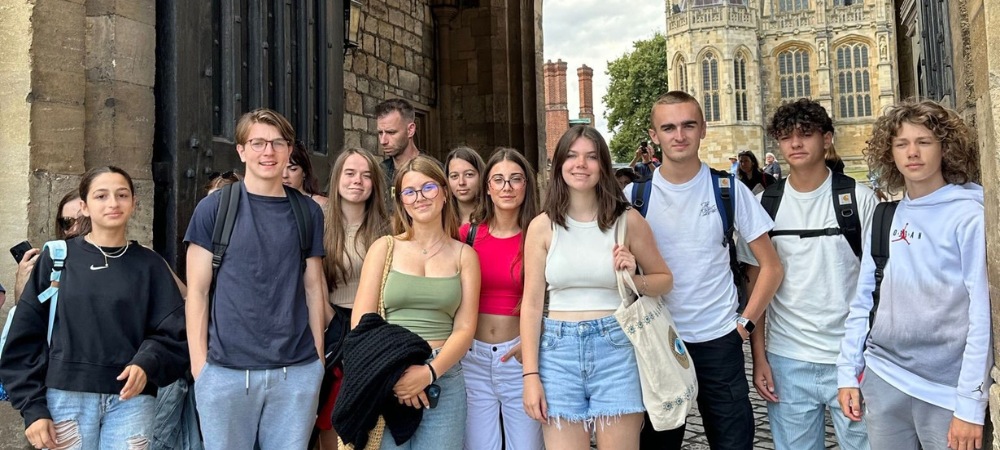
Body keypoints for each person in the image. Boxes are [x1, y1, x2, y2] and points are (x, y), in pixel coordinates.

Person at [627, 91, 782, 450]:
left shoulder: (728, 190)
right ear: (654, 136)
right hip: (659, 342)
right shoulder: (634, 196)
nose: (678, 135)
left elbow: (770, 267)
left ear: (703, 130)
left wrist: (744, 325)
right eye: (668, 127)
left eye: (688, 125)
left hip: (719, 340)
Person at [837, 100, 991, 450]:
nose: (913, 153)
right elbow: (864, 300)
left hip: (945, 391)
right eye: (901, 143)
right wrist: (848, 371)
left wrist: (970, 404)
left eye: (924, 142)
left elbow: (981, 314)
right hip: (884, 377)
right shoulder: (884, 216)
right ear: (889, 153)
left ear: (943, 147)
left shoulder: (968, 214)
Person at [0, 166, 188, 450]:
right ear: (84, 207)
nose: (113, 203)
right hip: (65, 397)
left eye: (122, 195)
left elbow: (174, 334)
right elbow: (25, 336)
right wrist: (33, 408)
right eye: (101, 196)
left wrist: (147, 363)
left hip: (131, 400)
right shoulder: (57, 259)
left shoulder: (150, 266)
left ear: (134, 203)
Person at [521, 126, 674, 450]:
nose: (581, 164)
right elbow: (532, 305)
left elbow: (664, 279)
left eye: (591, 157)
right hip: (557, 352)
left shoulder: (627, 221)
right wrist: (530, 376)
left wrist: (633, 277)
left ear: (603, 165)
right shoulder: (542, 226)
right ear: (559, 164)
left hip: (617, 347)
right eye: (572, 156)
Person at [184, 108, 327, 450]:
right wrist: (200, 368)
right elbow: (198, 292)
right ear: (241, 150)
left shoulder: (307, 212)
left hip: (296, 370)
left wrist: (318, 361)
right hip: (225, 371)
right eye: (258, 142)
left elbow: (312, 288)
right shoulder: (215, 208)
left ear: (290, 150)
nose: (268, 152)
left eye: (278, 143)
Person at [748, 98, 875, 450]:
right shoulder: (765, 205)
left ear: (827, 139)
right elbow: (755, 286)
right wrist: (760, 357)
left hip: (850, 358)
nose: (796, 143)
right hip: (788, 359)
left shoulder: (858, 199)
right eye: (786, 136)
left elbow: (879, 283)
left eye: (806, 134)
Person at [349, 155, 480, 449]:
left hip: (442, 375)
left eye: (428, 188)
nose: (419, 198)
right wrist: (398, 372)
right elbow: (362, 321)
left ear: (444, 193)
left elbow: (465, 327)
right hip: (387, 374)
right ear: (402, 202)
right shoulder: (384, 248)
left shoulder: (464, 256)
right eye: (410, 191)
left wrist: (429, 372)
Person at [460, 148, 542, 450]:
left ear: (526, 185)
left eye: (515, 179)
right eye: (499, 179)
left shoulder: (540, 234)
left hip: (520, 357)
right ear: (488, 188)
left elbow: (555, 294)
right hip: (474, 359)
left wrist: (535, 336)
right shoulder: (467, 235)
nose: (507, 187)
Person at [315, 148, 388, 449]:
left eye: (366, 175)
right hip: (330, 324)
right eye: (350, 173)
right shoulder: (318, 222)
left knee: (367, 418)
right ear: (336, 179)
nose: (358, 181)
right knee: (329, 414)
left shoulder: (389, 226)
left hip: (373, 327)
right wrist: (330, 323)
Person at [13, 191, 85, 302]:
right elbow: (25, 316)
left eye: (83, 221)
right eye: (67, 222)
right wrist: (23, 285)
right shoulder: (52, 263)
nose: (75, 229)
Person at [376, 99, 423, 189]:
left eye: (391, 132)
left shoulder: (434, 170)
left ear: (410, 130)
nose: (383, 141)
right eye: (380, 133)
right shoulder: (380, 173)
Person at [445, 146, 485, 225]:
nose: (461, 182)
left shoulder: (495, 218)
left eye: (469, 174)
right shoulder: (442, 221)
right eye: (454, 176)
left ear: (481, 176)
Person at [284, 141, 329, 207]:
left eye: (293, 169)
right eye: (280, 169)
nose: (284, 175)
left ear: (304, 172)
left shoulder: (321, 204)